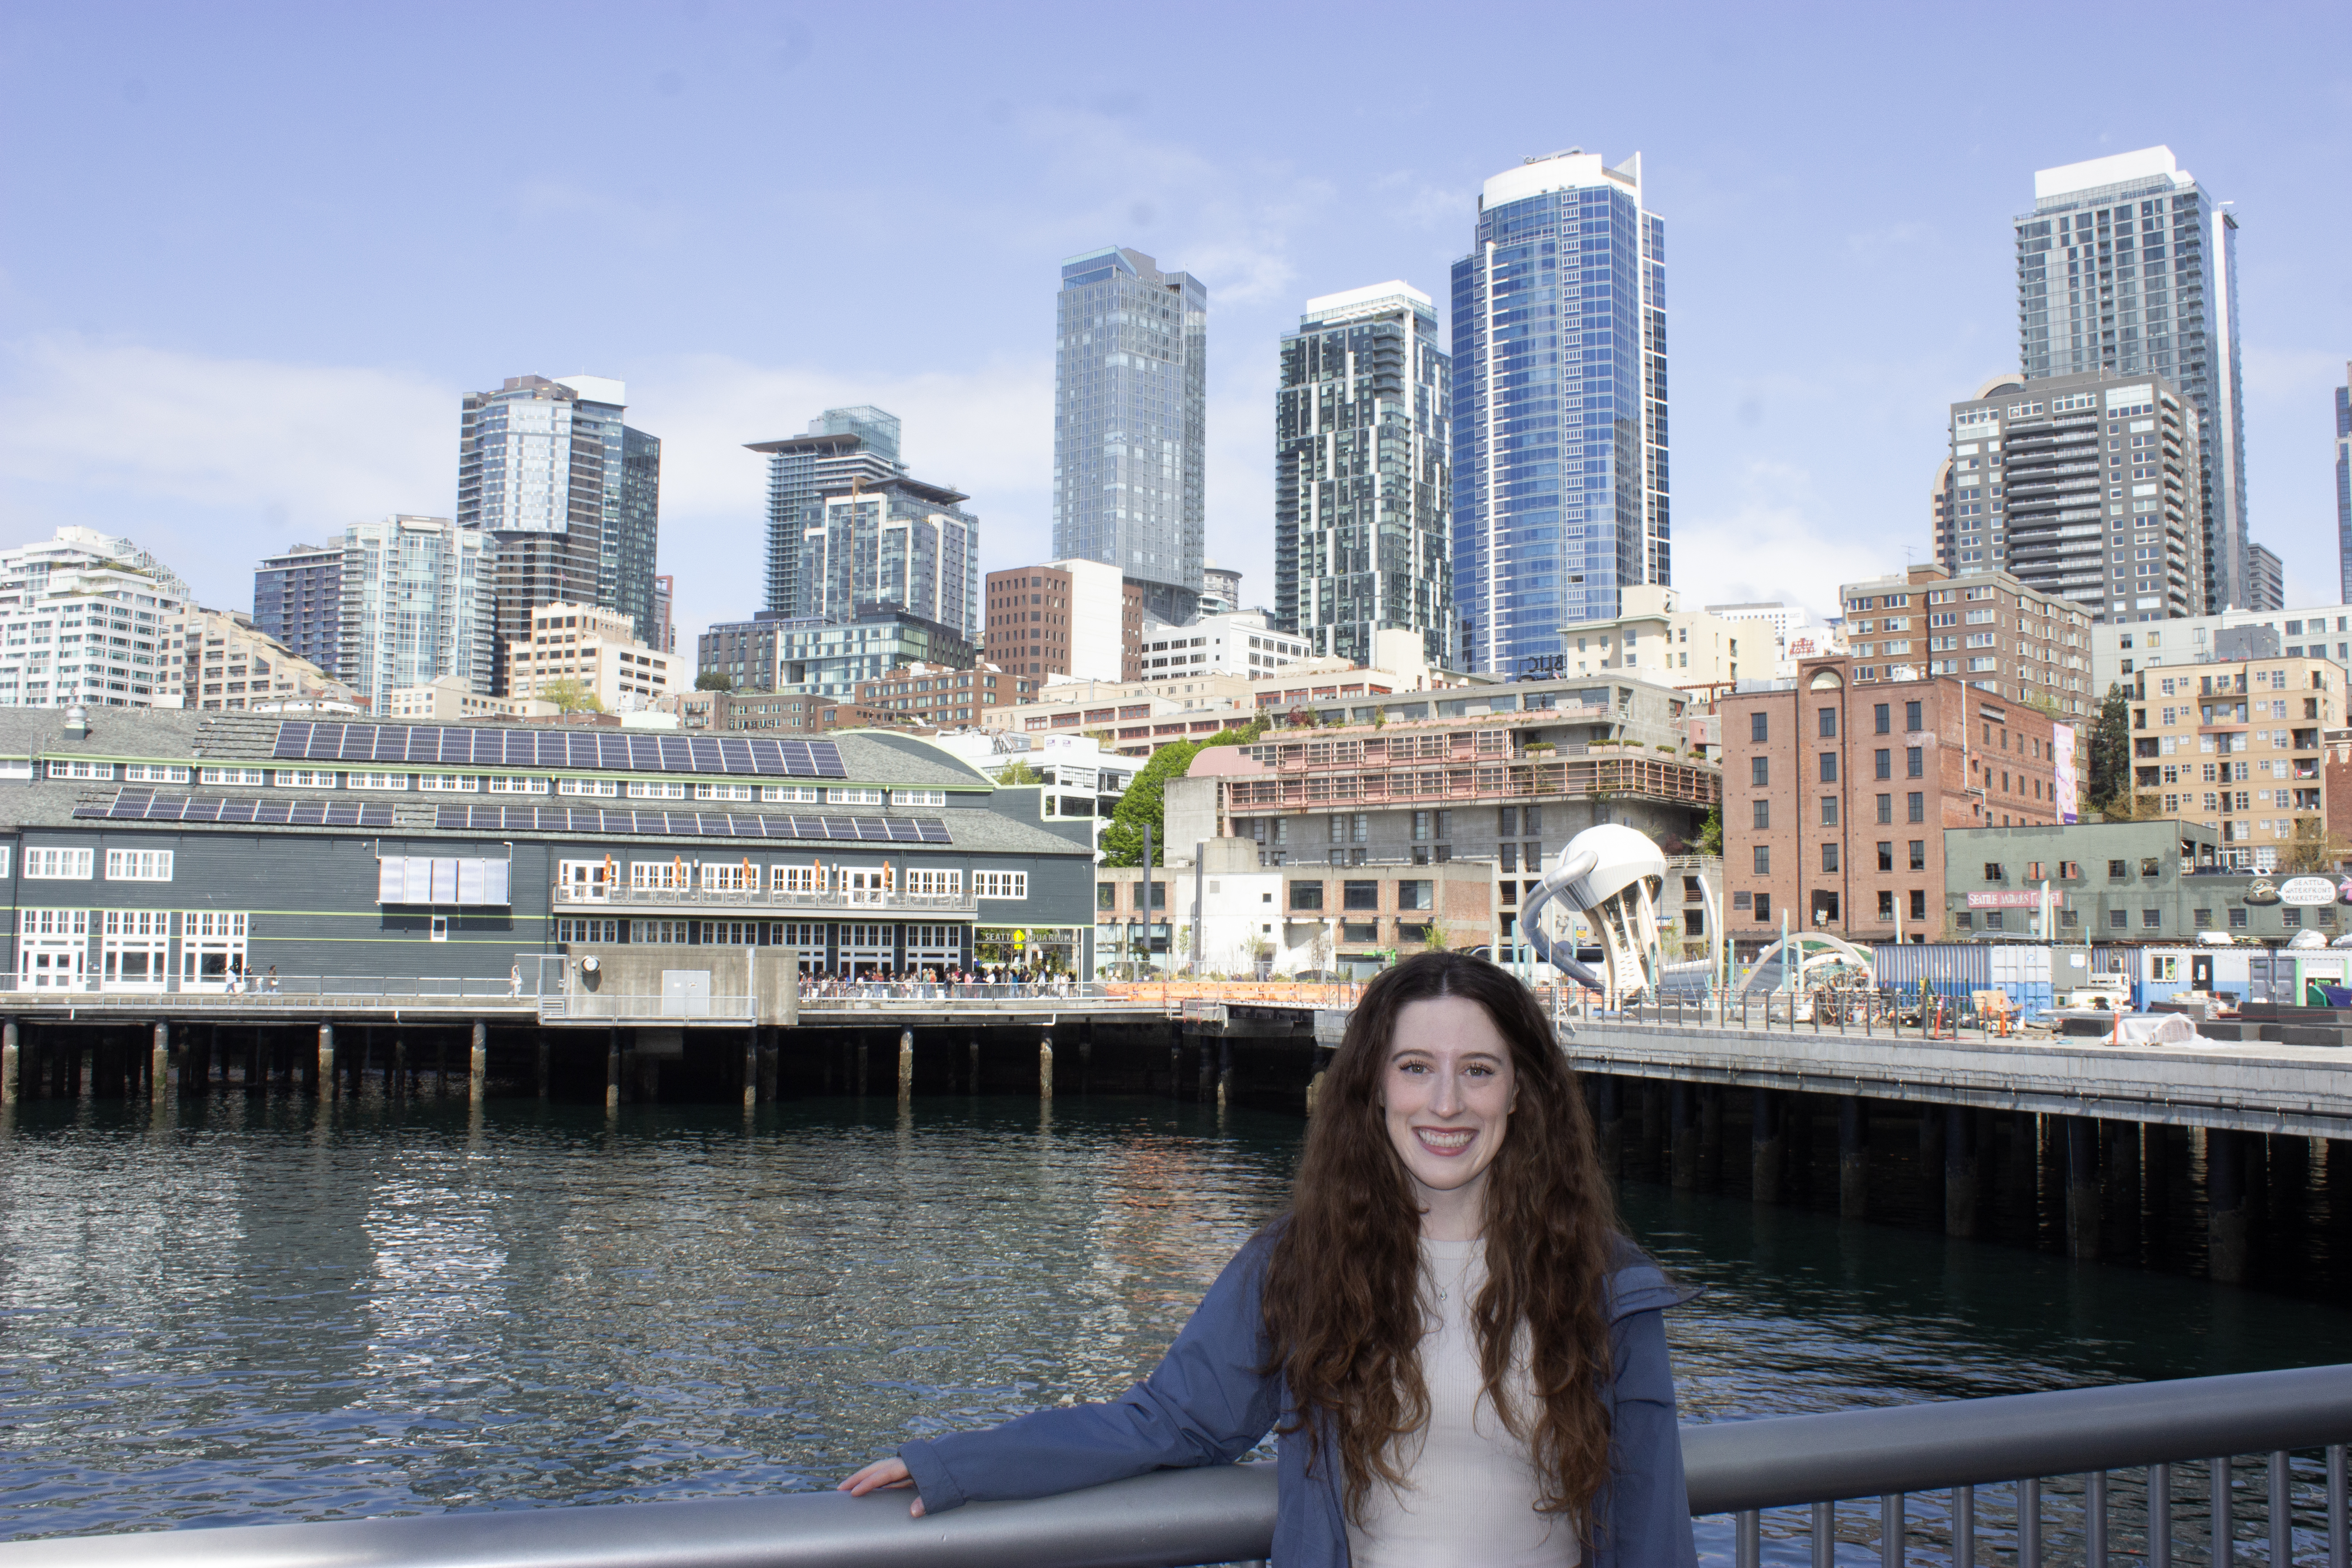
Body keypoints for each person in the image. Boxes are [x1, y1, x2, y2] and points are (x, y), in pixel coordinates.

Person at [840, 949, 1696, 1566]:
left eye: (1478, 1070)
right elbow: (1169, 1422)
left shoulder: (1605, 1285)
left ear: (1523, 1092)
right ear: (1372, 1087)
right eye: (1414, 1067)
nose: (1446, 1103)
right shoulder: (1301, 1265)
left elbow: (1653, 1522)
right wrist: (957, 1465)